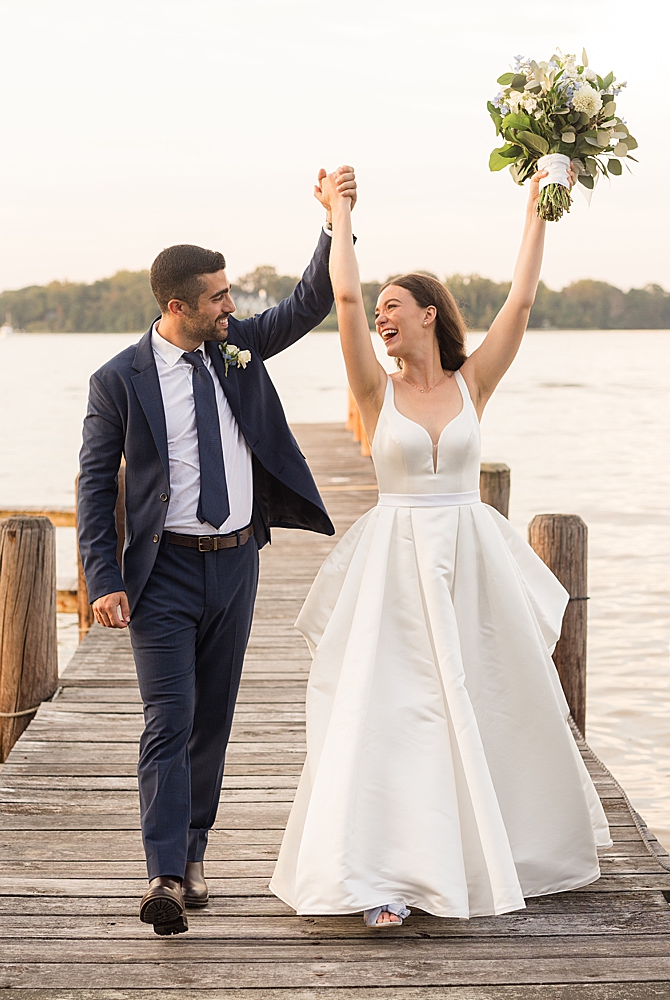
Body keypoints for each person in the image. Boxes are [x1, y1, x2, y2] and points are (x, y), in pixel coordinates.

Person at [269, 166, 612, 928]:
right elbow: (347, 298)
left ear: (430, 315)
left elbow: (520, 300)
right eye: (380, 310)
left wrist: (539, 209)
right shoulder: (372, 390)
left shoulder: (473, 382)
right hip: (394, 564)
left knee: (482, 701)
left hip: (467, 560)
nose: (382, 317)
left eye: (398, 308)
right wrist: (340, 216)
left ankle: (494, 854)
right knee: (391, 711)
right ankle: (381, 879)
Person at [77, 167, 357, 935]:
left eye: (230, 294)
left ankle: (194, 851)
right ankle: (164, 874)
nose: (231, 306)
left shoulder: (239, 348)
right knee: (169, 716)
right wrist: (104, 576)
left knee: (213, 720)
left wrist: (336, 223)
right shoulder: (118, 382)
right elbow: (95, 485)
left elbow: (309, 301)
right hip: (161, 570)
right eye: (218, 297)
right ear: (178, 306)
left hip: (237, 563)